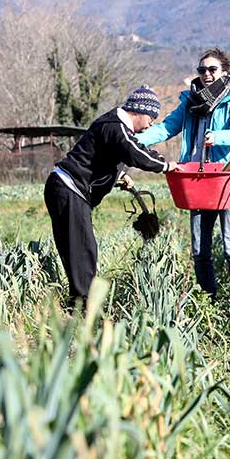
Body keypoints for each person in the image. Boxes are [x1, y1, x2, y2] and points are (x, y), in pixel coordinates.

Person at [137, 47, 230, 319]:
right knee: (200, 250)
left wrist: (218, 137)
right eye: (202, 70)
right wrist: (130, 141)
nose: (207, 74)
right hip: (198, 182)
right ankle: (208, 303)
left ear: (225, 72)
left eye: (213, 69)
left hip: (227, 183)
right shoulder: (190, 101)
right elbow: (166, 128)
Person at [44, 85, 177, 305]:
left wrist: (119, 176)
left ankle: (76, 303)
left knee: (77, 248)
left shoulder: (112, 125)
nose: (150, 124)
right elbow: (134, 152)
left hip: (64, 188)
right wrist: (166, 166)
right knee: (83, 249)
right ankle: (84, 308)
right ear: (140, 111)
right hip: (68, 188)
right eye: (151, 118)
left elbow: (104, 156)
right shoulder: (116, 126)